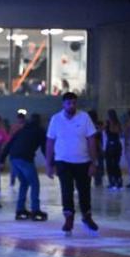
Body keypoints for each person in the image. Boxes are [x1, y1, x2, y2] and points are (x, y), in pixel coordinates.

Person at [45, 92, 99, 235]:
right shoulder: (56, 119)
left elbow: (92, 140)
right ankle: (68, 217)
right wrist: (48, 164)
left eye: (74, 103)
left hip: (83, 162)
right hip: (63, 161)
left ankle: (87, 217)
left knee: (84, 191)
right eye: (69, 103)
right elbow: (50, 142)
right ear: (63, 104)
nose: (72, 106)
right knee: (66, 190)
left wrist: (94, 162)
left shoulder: (84, 117)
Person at [0, 113, 47, 221]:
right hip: (25, 158)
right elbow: (44, 148)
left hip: (14, 158)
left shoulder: (22, 130)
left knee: (24, 183)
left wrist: (2, 160)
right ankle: (35, 210)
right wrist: (51, 162)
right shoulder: (40, 131)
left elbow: (9, 143)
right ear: (39, 121)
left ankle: (20, 209)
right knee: (35, 183)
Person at [103, 109, 124, 190]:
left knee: (115, 164)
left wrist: (111, 123)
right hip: (109, 145)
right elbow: (104, 132)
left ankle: (118, 181)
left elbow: (118, 132)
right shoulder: (107, 123)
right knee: (109, 165)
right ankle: (112, 181)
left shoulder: (116, 124)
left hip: (115, 145)